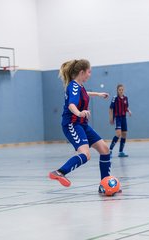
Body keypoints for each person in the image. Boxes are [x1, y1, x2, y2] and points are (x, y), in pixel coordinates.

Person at [48, 59, 114, 192]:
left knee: (105, 150)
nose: (90, 74)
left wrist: (98, 94)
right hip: (72, 124)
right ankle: (60, 172)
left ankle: (104, 185)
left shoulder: (79, 86)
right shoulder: (73, 86)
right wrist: (79, 113)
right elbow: (71, 104)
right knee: (85, 154)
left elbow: (84, 94)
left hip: (82, 124)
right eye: (89, 72)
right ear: (82, 72)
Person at [109, 84, 132, 158]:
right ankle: (110, 150)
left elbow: (126, 107)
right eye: (119, 90)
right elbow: (111, 108)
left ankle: (121, 152)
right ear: (117, 90)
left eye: (122, 90)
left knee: (124, 134)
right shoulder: (114, 98)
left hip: (123, 118)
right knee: (118, 134)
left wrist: (128, 111)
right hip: (118, 118)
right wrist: (111, 118)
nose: (121, 91)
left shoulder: (125, 98)